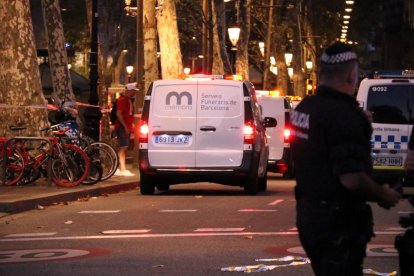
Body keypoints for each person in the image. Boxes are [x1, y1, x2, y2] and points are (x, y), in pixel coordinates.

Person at [291, 42, 401, 276]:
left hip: (309, 215)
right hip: (338, 222)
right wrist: (383, 194)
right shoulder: (344, 116)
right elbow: (351, 178)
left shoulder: (305, 108)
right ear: (353, 75)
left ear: (321, 73)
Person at [114, 83, 138, 177]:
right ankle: (120, 167)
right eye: (134, 90)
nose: (135, 92)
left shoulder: (129, 101)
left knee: (125, 147)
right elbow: (119, 113)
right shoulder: (123, 100)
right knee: (124, 146)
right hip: (122, 127)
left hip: (125, 126)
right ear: (129, 90)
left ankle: (121, 168)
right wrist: (125, 126)